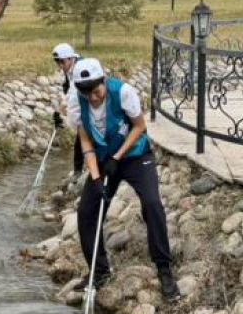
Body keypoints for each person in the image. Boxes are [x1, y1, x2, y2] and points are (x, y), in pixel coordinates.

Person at [66, 58, 178, 299]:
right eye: (86, 93)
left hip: (135, 155)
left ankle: (164, 268)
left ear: (104, 82)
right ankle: (99, 271)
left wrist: (117, 157)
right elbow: (85, 139)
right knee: (87, 212)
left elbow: (139, 126)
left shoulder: (123, 92)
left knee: (152, 203)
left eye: (96, 92)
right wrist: (96, 177)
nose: (92, 97)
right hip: (103, 160)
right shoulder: (76, 101)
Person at [51, 43, 84, 173]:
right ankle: (78, 171)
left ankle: (84, 170)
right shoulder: (70, 68)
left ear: (70, 58)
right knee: (81, 136)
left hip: (95, 102)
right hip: (83, 99)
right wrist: (60, 110)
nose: (60, 66)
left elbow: (74, 94)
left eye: (62, 62)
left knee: (83, 134)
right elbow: (70, 90)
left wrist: (63, 114)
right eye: (58, 62)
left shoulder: (79, 68)